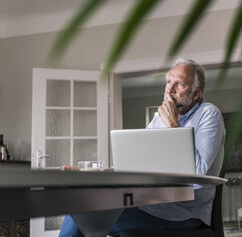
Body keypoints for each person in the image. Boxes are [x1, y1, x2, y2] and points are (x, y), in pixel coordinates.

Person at [59, 58, 225, 237]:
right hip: (151, 203)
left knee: (89, 214)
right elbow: (138, 165)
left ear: (196, 94)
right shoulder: (158, 120)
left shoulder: (208, 113)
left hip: (185, 212)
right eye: (169, 81)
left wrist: (172, 124)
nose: (170, 89)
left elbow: (198, 172)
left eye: (180, 84)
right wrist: (99, 174)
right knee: (82, 205)